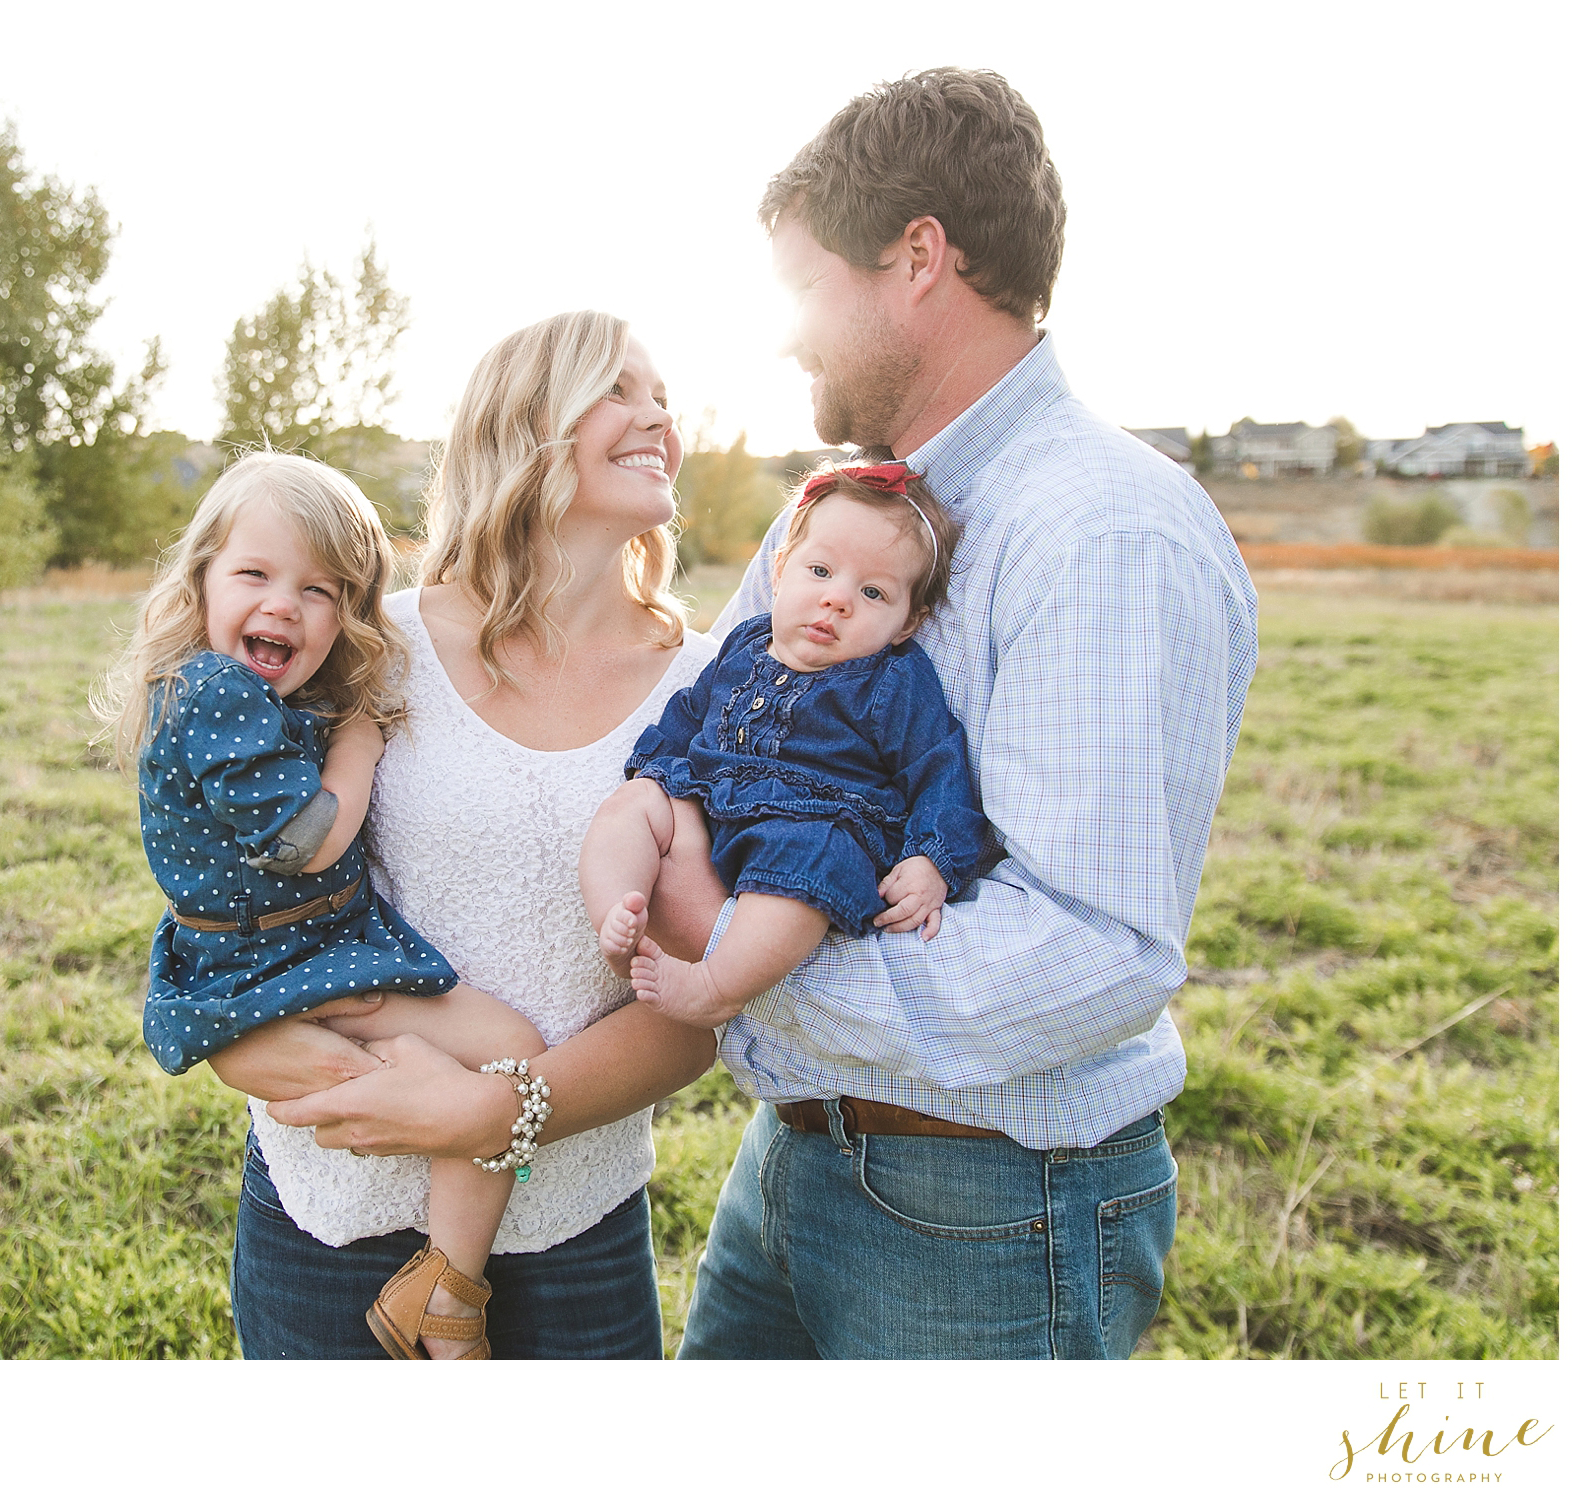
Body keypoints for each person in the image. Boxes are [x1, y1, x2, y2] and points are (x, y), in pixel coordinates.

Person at [676, 68, 1259, 1360]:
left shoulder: (1104, 529)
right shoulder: (835, 511)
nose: (786, 335)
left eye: (808, 286)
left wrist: (737, 962)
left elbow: (1098, 943)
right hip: (793, 1157)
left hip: (990, 1209)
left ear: (919, 258)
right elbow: (703, 715)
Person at [201, 312, 722, 1359]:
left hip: (574, 1223)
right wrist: (349, 1080)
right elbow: (236, 881)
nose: (657, 414)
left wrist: (497, 1112)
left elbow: (704, 999)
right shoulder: (367, 647)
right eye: (618, 389)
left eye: (662, 396)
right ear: (523, 426)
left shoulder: (709, 684)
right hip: (330, 1197)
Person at [91, 451, 556, 1358]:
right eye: (255, 574)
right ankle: (450, 1291)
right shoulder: (218, 689)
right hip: (289, 958)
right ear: (202, 580)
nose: (283, 605)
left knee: (437, 1067)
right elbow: (307, 843)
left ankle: (439, 1282)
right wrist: (361, 741)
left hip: (269, 953)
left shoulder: (241, 690)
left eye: (321, 590)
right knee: (510, 1051)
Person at [580, 460, 989, 1027]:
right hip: (710, 800)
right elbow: (693, 711)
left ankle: (716, 987)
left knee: (809, 872)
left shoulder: (891, 680)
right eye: (820, 570)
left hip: (813, 820)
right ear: (780, 572)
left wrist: (932, 860)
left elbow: (939, 769)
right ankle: (615, 915)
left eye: (872, 592)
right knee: (632, 804)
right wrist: (657, 777)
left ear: (906, 623)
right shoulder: (747, 641)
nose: (837, 600)